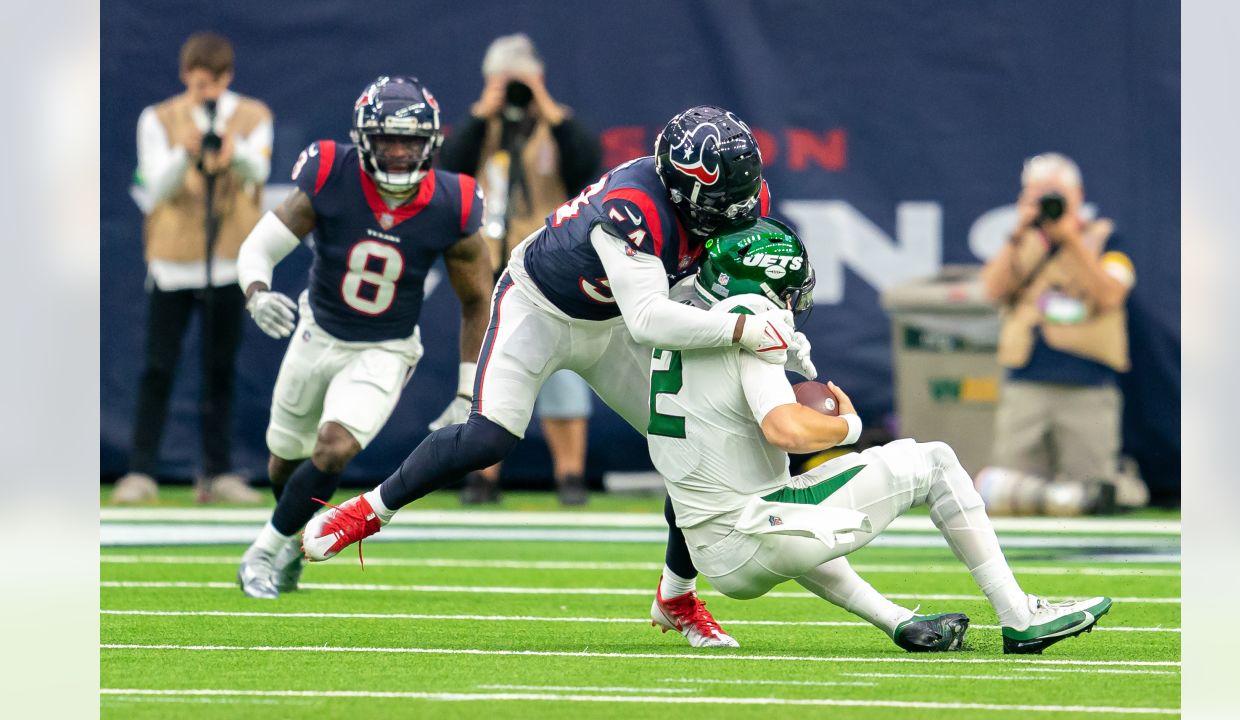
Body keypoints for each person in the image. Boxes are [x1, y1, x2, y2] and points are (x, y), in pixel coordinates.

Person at [304, 105, 815, 648]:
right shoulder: (635, 205)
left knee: (690, 442)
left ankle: (677, 596)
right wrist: (741, 332)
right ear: (681, 185)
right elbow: (648, 319)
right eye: (718, 202)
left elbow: (701, 290)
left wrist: (775, 327)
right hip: (541, 308)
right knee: (488, 436)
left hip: (611, 320)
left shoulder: (731, 198)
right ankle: (366, 510)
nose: (736, 212)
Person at [652, 216, 1112, 654]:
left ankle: (897, 620)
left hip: (712, 545)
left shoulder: (681, 317)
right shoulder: (753, 318)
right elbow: (786, 430)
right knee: (935, 462)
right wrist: (848, 427)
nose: (790, 303)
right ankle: (1019, 615)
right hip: (753, 530)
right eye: (788, 291)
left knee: (794, 510)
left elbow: (785, 526)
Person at [233, 76, 491, 599]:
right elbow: (260, 245)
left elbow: (477, 300)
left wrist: (468, 391)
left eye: (410, 141)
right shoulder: (332, 175)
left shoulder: (453, 203)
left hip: (386, 346)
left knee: (333, 449)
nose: (398, 153)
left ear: (431, 143)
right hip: (317, 332)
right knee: (286, 460)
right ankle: (292, 545)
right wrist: (257, 292)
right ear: (362, 139)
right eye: (386, 140)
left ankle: (259, 553)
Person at [434, 33, 603, 505]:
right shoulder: (481, 130)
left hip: (553, 264)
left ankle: (570, 476)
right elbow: (450, 171)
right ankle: (483, 475)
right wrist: (480, 112)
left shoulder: (557, 126)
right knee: (493, 372)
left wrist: (545, 103)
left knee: (565, 370)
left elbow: (588, 167)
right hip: (492, 265)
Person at [112, 32, 271, 505]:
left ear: (228, 78)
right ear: (186, 77)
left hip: (228, 260)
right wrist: (184, 150)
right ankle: (141, 472)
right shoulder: (158, 118)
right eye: (199, 83)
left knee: (220, 368)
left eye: (215, 84)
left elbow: (257, 173)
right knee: (158, 367)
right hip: (172, 263)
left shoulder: (253, 116)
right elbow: (155, 186)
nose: (207, 93)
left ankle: (218, 473)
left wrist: (232, 149)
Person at [981, 153, 1142, 506]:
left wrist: (1070, 240)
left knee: (1089, 494)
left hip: (1087, 383)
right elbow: (992, 291)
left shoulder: (1106, 239)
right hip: (1026, 380)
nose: (1047, 204)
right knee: (1014, 494)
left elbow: (1111, 295)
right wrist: (1017, 232)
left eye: (1055, 194)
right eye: (1038, 195)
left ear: (1078, 195)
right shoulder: (1022, 243)